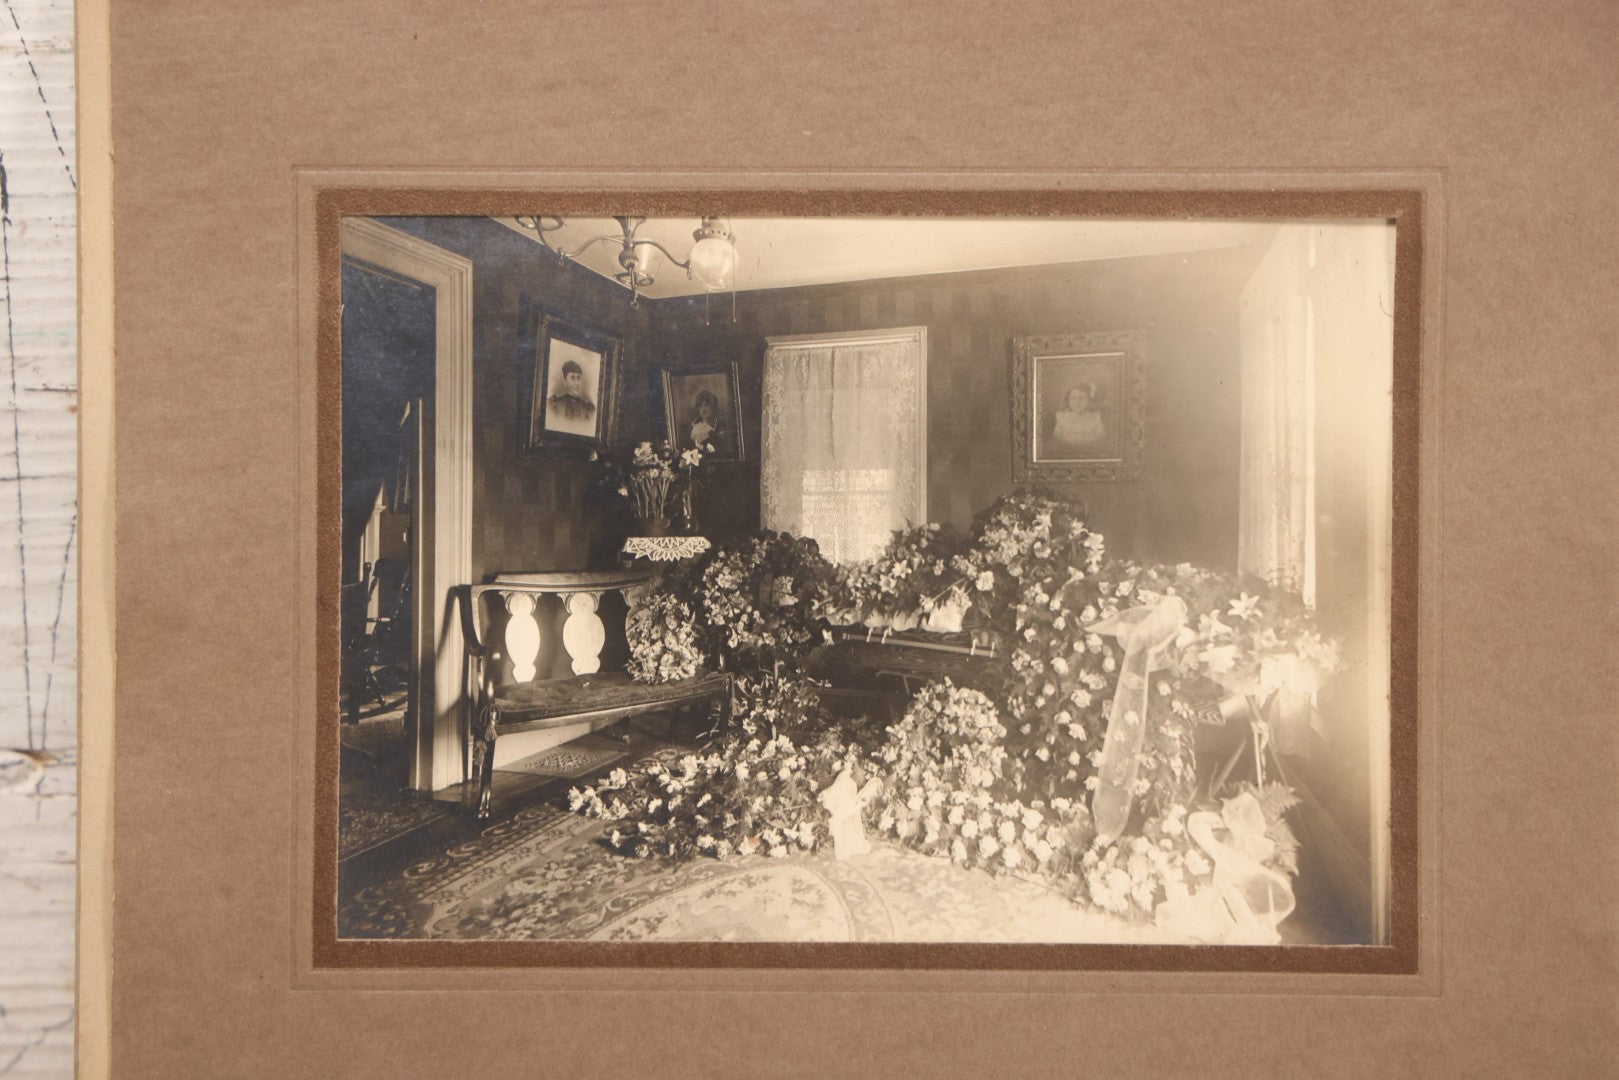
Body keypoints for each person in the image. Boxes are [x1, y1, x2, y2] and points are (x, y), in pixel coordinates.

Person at [1051, 383, 1105, 452]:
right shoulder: (1062, 419)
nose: (1077, 402)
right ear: (1068, 401)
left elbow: (1100, 443)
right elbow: (1057, 442)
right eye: (1073, 398)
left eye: (1081, 398)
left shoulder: (1095, 419)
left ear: (1089, 400)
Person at [547, 359, 596, 426]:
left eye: (578, 378)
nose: (577, 383)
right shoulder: (554, 405)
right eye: (572, 378)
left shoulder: (589, 409)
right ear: (565, 382)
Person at [687, 389, 732, 455]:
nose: (703, 410)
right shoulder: (693, 426)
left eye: (706, 405)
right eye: (700, 406)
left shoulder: (719, 425)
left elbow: (724, 449)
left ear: (712, 407)